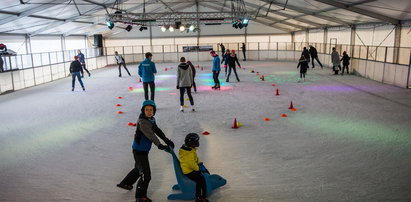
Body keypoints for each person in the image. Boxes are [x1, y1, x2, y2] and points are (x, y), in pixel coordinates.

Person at [117, 100, 175, 202]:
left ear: (154, 111)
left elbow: (156, 130)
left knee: (138, 168)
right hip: (139, 151)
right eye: (146, 110)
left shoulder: (151, 119)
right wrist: (160, 145)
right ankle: (140, 197)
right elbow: (150, 134)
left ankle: (126, 183)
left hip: (143, 149)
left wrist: (166, 139)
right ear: (143, 111)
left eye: (151, 110)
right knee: (146, 175)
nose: (149, 112)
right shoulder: (142, 122)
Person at [179, 133, 210, 202]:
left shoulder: (189, 149)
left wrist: (200, 164)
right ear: (192, 143)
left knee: (203, 174)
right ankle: (200, 198)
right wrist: (199, 168)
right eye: (196, 141)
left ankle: (201, 196)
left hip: (191, 168)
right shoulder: (188, 153)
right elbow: (191, 164)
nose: (198, 143)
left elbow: (195, 158)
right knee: (201, 180)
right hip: (189, 171)